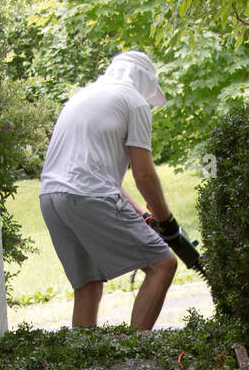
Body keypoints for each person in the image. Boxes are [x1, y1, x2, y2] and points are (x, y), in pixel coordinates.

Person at [39, 50, 183, 330]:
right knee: (163, 265)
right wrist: (166, 222)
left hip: (51, 197)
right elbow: (144, 175)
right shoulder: (134, 102)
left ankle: (84, 360)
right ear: (144, 82)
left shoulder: (82, 96)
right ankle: (135, 352)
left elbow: (101, 177)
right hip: (90, 196)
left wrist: (143, 214)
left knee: (88, 284)